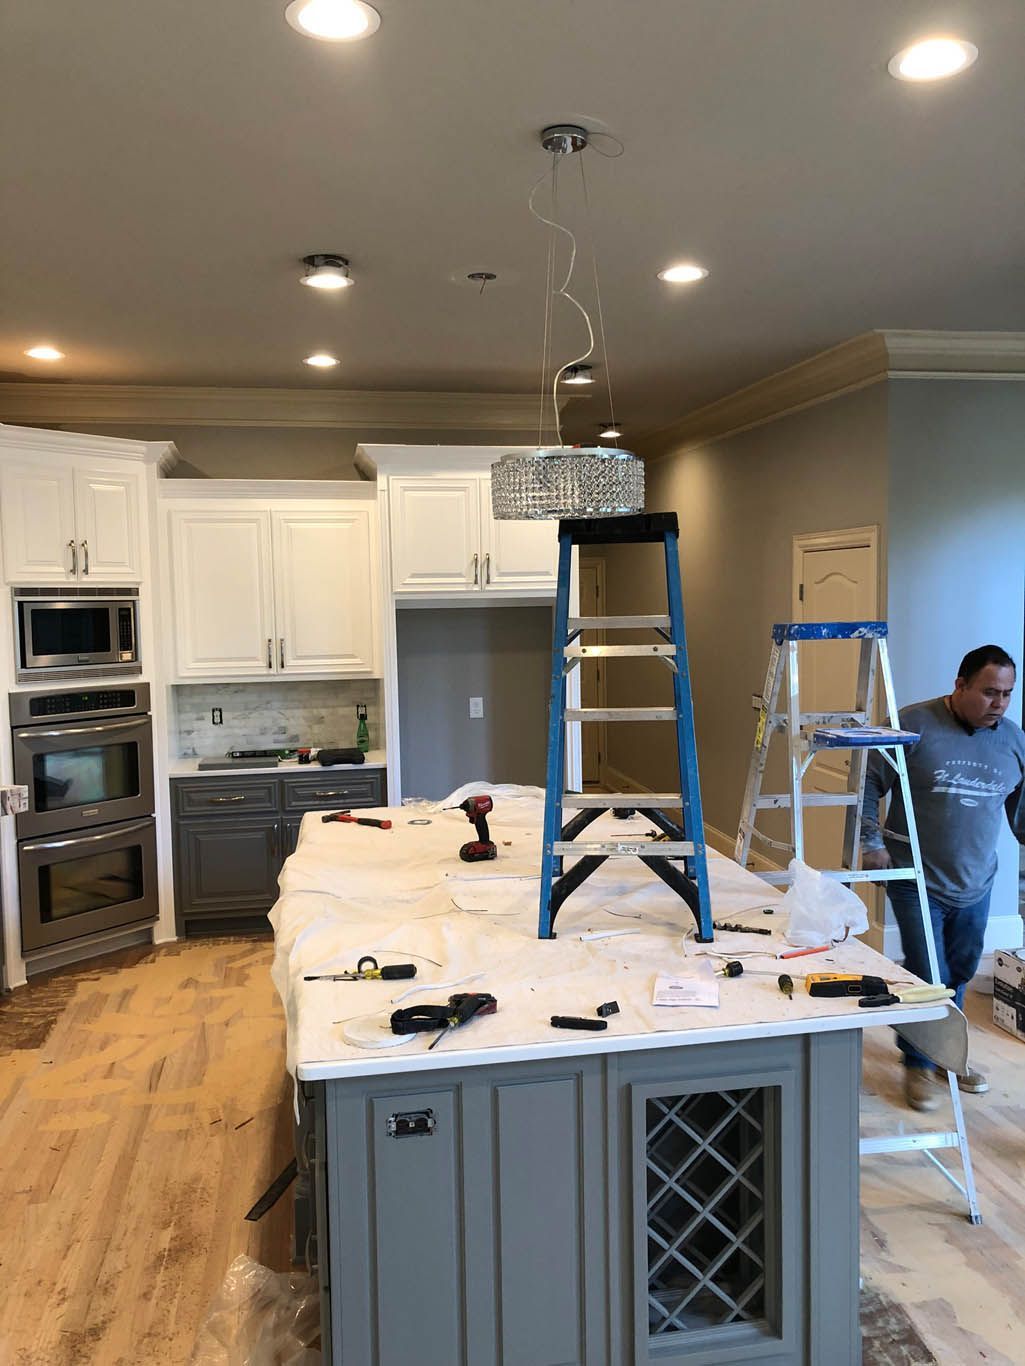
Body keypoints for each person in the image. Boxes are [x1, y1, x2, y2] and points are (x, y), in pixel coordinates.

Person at [861, 644, 1025, 1112]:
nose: (999, 703)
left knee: (960, 970)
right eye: (989, 692)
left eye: (1007, 694)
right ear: (960, 685)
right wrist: (871, 842)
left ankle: (946, 1054)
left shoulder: (1014, 742)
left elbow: (1021, 813)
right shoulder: (912, 725)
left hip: (976, 880)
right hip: (916, 876)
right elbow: (867, 783)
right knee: (927, 970)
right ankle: (917, 1062)